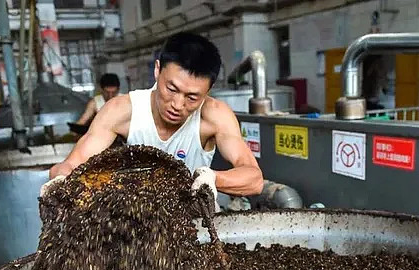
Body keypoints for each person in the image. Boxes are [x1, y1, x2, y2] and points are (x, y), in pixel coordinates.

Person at [44, 32, 263, 205]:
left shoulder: (215, 115)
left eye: (192, 97)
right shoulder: (122, 111)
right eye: (171, 89)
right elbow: (73, 163)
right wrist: (61, 179)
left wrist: (212, 179)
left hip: (197, 222)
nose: (177, 105)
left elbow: (254, 179)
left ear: (208, 90)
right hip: (139, 221)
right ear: (158, 70)